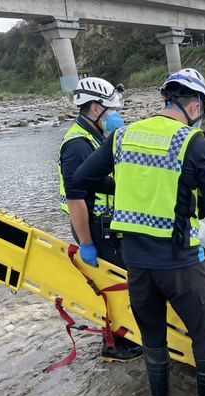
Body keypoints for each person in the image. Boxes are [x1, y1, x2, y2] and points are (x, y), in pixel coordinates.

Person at [71, 68, 205, 396]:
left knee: (152, 339)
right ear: (195, 104)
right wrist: (187, 200)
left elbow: (81, 181)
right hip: (181, 264)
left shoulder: (121, 137)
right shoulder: (192, 141)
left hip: (136, 264)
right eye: (202, 108)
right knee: (204, 336)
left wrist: (124, 182)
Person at [57, 76, 142, 363]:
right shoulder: (77, 146)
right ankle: (115, 344)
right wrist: (86, 243)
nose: (117, 116)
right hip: (93, 227)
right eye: (112, 111)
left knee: (120, 278)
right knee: (111, 283)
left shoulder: (95, 138)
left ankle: (124, 335)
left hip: (107, 225)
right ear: (95, 109)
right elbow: (75, 198)